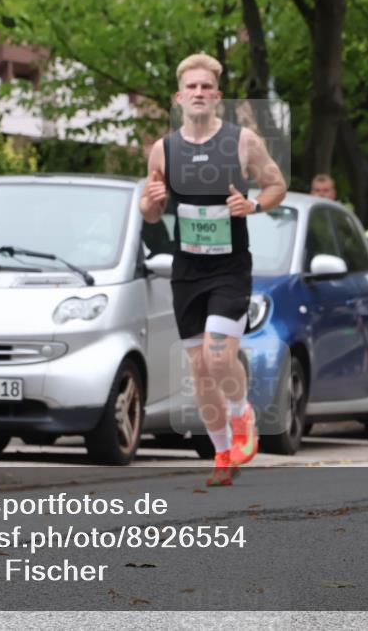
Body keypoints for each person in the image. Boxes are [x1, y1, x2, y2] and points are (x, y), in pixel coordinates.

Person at [139, 53, 287, 486]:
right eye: (192, 87)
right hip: (187, 271)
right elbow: (151, 211)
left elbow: (277, 183)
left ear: (217, 96)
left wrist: (254, 205)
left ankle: (243, 417)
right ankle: (223, 452)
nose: (199, 93)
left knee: (218, 357)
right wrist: (150, 201)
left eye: (207, 87)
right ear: (179, 96)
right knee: (200, 372)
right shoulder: (162, 150)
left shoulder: (242, 142)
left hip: (229, 269)